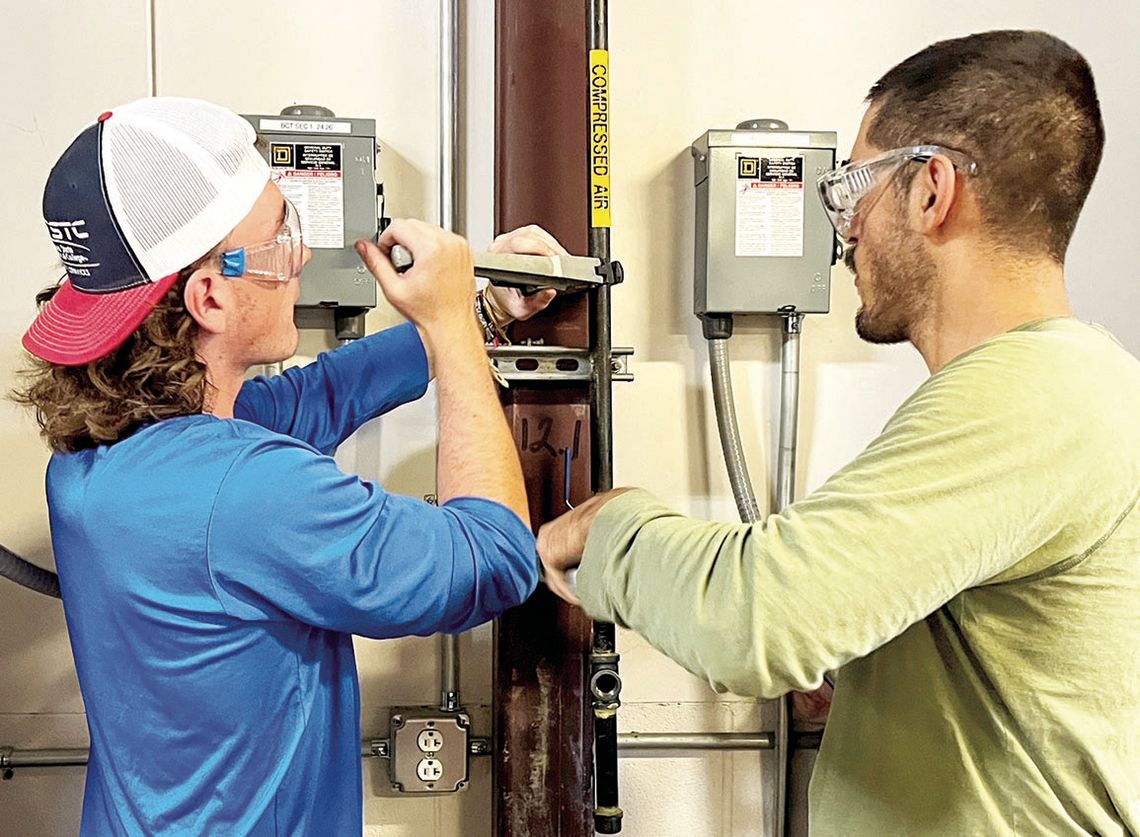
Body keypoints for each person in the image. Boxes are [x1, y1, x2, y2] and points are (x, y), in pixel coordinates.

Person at [538, 30, 1139, 836]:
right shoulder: (1056, 390)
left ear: (932, 190)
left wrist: (611, 523)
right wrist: (874, 679)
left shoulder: (1036, 395)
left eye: (855, 185)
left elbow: (755, 618)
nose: (843, 228)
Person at [13, 96, 559, 835]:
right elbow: (492, 557)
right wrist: (453, 330)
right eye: (278, 240)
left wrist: (482, 305)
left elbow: (314, 397)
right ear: (208, 296)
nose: (299, 256)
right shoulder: (245, 491)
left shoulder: (93, 457)